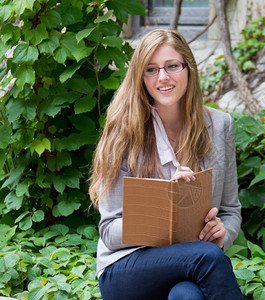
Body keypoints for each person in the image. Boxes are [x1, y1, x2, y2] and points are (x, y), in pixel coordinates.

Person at [89, 29, 243, 299]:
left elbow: (230, 210)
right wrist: (163, 210)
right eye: (151, 69)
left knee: (187, 295)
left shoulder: (220, 125)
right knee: (206, 257)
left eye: (172, 66)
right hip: (126, 267)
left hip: (191, 263)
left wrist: (222, 235)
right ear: (140, 77)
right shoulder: (124, 130)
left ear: (188, 68)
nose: (163, 77)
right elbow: (109, 231)